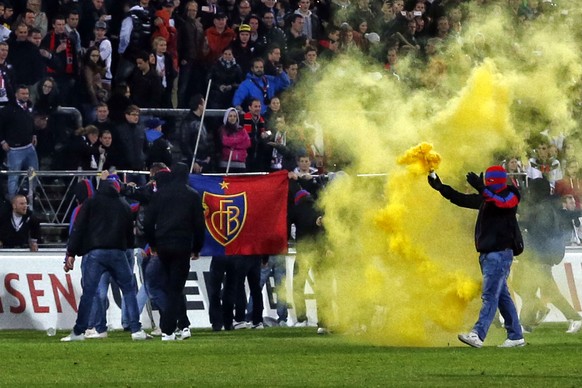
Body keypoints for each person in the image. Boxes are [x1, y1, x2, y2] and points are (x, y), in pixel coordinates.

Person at [427, 166, 526, 348]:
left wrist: (482, 188)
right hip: (489, 255)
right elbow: (461, 199)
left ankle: (478, 335)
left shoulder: (511, 193)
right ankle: (516, 335)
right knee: (501, 296)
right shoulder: (487, 198)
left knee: (490, 295)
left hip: (499, 253)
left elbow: (504, 203)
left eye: (488, 181)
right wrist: (441, 187)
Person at [61, 172, 150, 341]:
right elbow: (129, 233)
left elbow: (78, 229)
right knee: (129, 290)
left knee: (89, 292)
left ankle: (79, 332)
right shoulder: (123, 205)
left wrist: (71, 253)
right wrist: (127, 248)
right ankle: (136, 330)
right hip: (118, 253)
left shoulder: (91, 203)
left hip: (96, 253)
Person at [143, 162, 206, 340]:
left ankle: (173, 328)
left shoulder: (160, 194)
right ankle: (171, 329)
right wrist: (197, 248)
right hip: (182, 245)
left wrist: (153, 245)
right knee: (175, 288)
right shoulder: (192, 195)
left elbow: (148, 222)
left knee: (166, 286)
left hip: (163, 246)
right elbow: (199, 225)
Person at [515, 178, 582, 334]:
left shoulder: (542, 209)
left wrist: (523, 225)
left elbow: (541, 233)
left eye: (531, 190)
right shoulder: (549, 205)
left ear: (537, 191)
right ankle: (526, 323)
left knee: (546, 291)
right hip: (541, 256)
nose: (529, 193)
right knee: (527, 289)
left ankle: (573, 317)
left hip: (540, 257)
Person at [0, 85, 39, 200]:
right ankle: (13, 201)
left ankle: (31, 197)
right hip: (15, 149)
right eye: (23, 94)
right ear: (17, 94)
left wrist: (34, 134)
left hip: (29, 147)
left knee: (34, 174)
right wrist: (2, 142)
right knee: (14, 177)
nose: (26, 96)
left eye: (27, 94)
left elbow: (31, 122)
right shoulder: (8, 109)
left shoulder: (29, 107)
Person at [180, 94, 215, 173]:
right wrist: (193, 161)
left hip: (204, 161)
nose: (206, 105)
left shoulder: (203, 121)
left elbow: (206, 140)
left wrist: (209, 156)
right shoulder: (187, 122)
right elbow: (184, 143)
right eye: (204, 103)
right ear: (199, 106)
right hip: (193, 162)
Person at [218, 107, 251, 173]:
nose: (232, 118)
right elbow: (225, 141)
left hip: (240, 164)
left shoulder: (242, 129)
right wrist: (240, 140)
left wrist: (232, 144)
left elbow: (247, 143)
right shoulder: (222, 129)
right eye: (230, 116)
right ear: (227, 117)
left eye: (234, 116)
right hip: (226, 163)